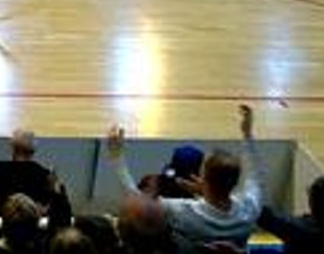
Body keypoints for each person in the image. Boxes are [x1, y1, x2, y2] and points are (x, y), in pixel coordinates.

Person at [107, 105, 262, 253]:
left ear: (203, 179)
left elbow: (135, 201)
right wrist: (247, 134)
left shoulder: (182, 211)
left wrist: (116, 157)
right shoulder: (250, 208)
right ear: (235, 182)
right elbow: (253, 173)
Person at [0, 129, 69, 216]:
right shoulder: (43, 173)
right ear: (33, 150)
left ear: (12, 147)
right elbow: (48, 203)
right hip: (33, 224)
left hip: (4, 222)